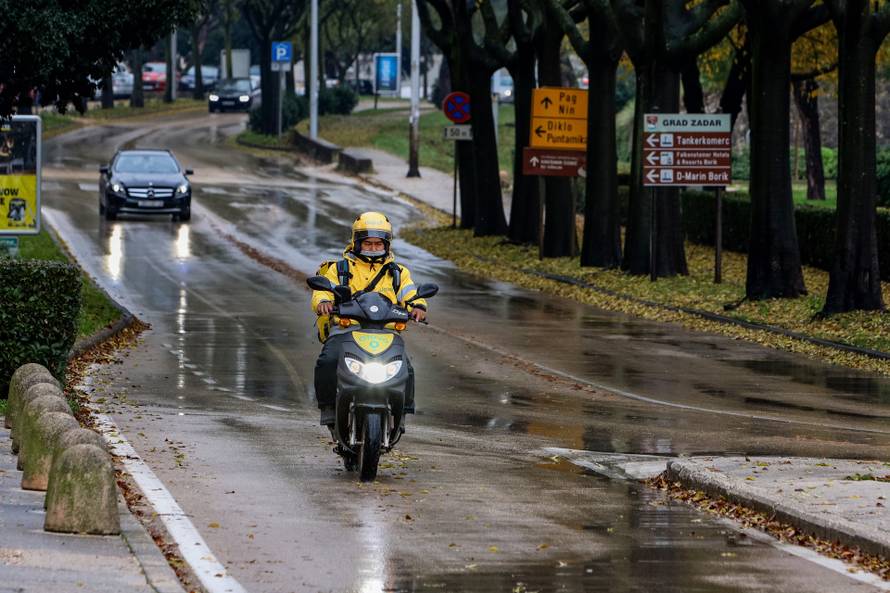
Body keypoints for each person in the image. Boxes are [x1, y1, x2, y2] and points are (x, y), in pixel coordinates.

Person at [311, 212, 427, 426]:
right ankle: (327, 406)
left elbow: (410, 294)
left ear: (387, 244)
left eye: (378, 244)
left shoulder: (399, 273)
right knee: (327, 361)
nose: (373, 248)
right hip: (346, 330)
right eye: (368, 243)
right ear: (356, 242)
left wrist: (418, 306)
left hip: (386, 332)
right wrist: (323, 302)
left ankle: (402, 412)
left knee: (407, 369)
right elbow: (323, 291)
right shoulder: (340, 269)